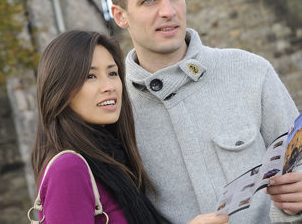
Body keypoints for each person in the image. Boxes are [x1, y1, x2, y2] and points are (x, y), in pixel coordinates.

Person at [106, 0, 302, 224]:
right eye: (149, 0)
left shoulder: (251, 71)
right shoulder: (114, 107)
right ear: (120, 15)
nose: (168, 11)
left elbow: (299, 160)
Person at [30, 29, 228, 223]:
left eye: (112, 73)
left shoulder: (112, 160)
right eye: (90, 76)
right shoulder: (68, 169)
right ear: (60, 90)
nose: (109, 86)